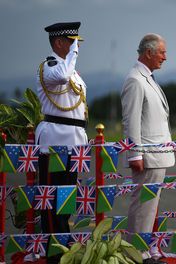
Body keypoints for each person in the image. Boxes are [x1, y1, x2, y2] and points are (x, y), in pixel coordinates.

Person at [35, 22, 88, 263]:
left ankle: (64, 247)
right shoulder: (50, 66)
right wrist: (74, 53)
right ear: (59, 43)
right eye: (71, 42)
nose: (75, 47)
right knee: (51, 197)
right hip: (54, 142)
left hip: (74, 141)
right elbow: (62, 76)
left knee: (67, 198)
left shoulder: (72, 71)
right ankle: (53, 252)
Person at [121, 33, 175, 263]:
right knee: (143, 205)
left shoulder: (147, 77)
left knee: (150, 207)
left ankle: (145, 250)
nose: (165, 57)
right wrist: (134, 153)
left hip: (157, 154)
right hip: (148, 156)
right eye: (162, 52)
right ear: (149, 52)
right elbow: (130, 121)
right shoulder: (135, 79)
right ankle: (138, 254)